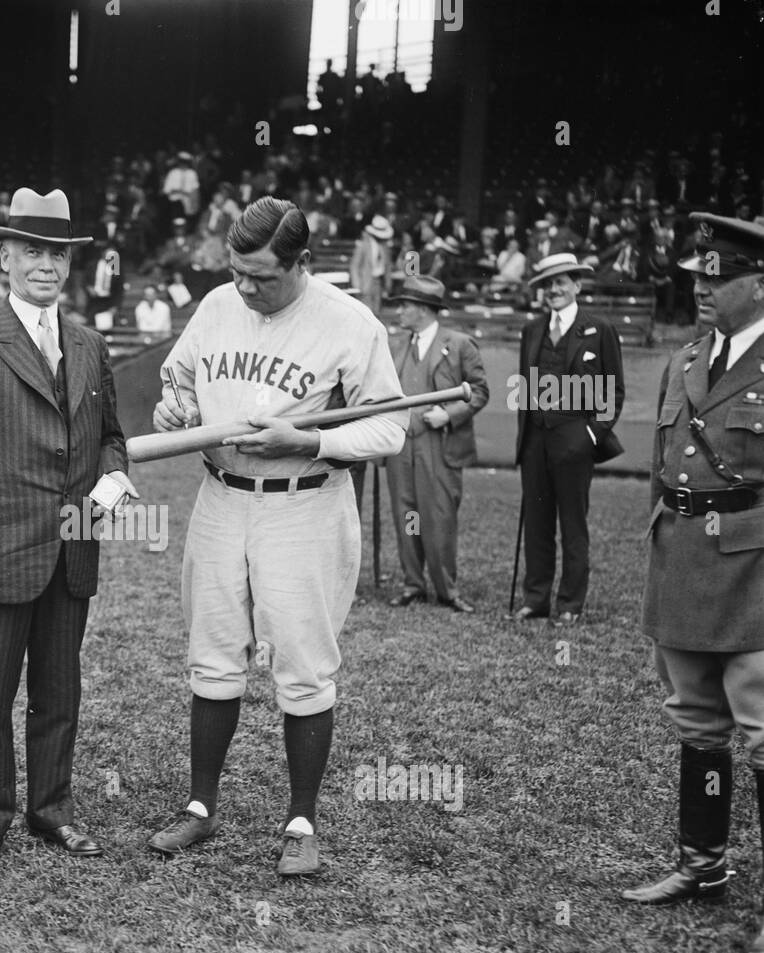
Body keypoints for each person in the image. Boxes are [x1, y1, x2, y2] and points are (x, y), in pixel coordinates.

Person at [145, 197, 406, 876]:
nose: (246, 288)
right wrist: (175, 404)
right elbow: (177, 380)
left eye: (262, 276)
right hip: (221, 497)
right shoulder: (216, 305)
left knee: (302, 661)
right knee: (212, 651)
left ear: (301, 263)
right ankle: (200, 808)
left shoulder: (349, 322)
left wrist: (311, 436)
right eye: (237, 272)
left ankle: (301, 821)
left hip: (304, 502)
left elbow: (389, 428)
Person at [0, 187, 135, 868]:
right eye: (32, 250)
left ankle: (53, 809)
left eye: (57, 253)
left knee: (60, 689)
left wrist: (113, 480)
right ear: (5, 256)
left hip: (72, 544)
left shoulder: (90, 344)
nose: (46, 264)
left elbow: (112, 438)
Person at [624, 214, 764, 953]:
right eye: (697, 276)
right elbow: (661, 470)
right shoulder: (685, 360)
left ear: (758, 281)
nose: (701, 287)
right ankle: (702, 862)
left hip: (753, 568)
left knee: (763, 728)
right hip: (683, 558)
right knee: (698, 721)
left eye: (718, 276)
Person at [512, 253, 625, 625]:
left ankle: (570, 604)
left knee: (573, 526)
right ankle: (536, 598)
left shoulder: (599, 329)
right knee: (537, 523)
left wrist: (592, 434)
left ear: (578, 285)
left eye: (562, 281)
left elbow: (614, 393)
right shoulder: (532, 330)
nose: (553, 289)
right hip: (536, 442)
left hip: (576, 439)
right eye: (547, 283)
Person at [382, 276, 488, 612]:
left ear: (426, 310)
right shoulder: (396, 346)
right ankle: (413, 583)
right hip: (402, 448)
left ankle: (446, 589)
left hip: (439, 446)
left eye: (406, 305)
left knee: (439, 517)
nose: (399, 311)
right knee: (407, 514)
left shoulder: (459, 344)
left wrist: (450, 413)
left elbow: (480, 391)